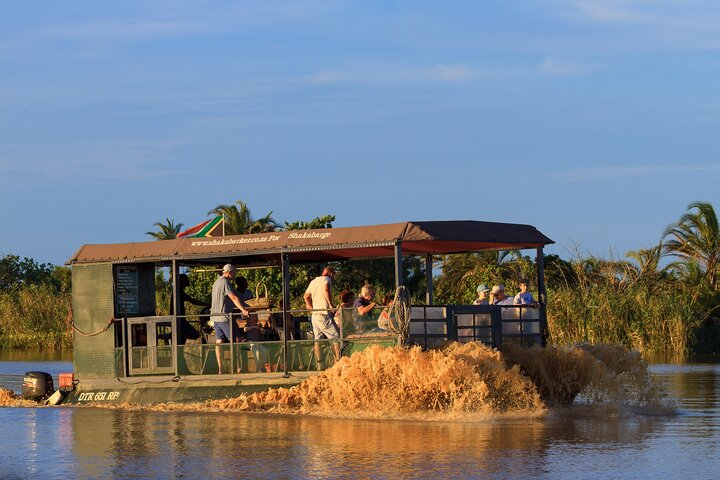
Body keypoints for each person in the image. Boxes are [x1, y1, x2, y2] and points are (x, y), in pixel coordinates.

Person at [211, 264, 250, 374]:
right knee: (236, 340)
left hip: (215, 317)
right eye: (234, 273)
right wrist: (243, 309)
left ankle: (220, 369)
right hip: (224, 317)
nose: (235, 275)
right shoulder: (225, 282)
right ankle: (237, 367)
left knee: (219, 341)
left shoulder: (216, 282)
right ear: (230, 272)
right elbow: (234, 297)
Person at [303, 266, 340, 367]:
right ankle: (338, 363)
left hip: (315, 315)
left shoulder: (314, 281)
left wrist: (310, 306)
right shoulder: (327, 279)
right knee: (337, 338)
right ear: (331, 273)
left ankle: (320, 364)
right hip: (324, 314)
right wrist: (331, 305)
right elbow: (326, 289)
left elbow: (306, 296)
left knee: (317, 339)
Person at [169, 273, 209, 344]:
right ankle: (179, 334)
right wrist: (206, 304)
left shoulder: (177, 291)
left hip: (179, 319)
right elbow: (193, 301)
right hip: (179, 320)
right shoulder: (178, 292)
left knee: (182, 342)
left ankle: (180, 335)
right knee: (195, 334)